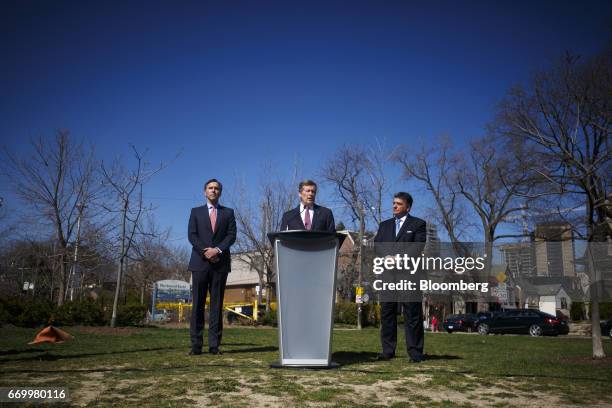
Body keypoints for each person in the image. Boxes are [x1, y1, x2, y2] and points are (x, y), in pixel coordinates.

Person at [374, 192, 427, 362]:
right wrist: (387, 258)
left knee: (412, 314)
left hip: (409, 275)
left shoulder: (418, 224)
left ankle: (415, 352)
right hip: (388, 275)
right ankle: (388, 351)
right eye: (393, 203)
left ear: (408, 207)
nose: (394, 206)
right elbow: (378, 245)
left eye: (398, 204)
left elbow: (417, 247)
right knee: (387, 312)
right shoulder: (384, 225)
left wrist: (399, 258)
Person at [187, 179, 236, 355]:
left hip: (220, 265)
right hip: (199, 264)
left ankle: (214, 346)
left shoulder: (228, 213)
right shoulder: (196, 212)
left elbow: (231, 236)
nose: (213, 190)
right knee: (197, 305)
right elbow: (192, 236)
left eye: (216, 188)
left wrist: (217, 250)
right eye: (210, 188)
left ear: (220, 192)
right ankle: (196, 346)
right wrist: (205, 251)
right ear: (204, 191)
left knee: (216, 305)